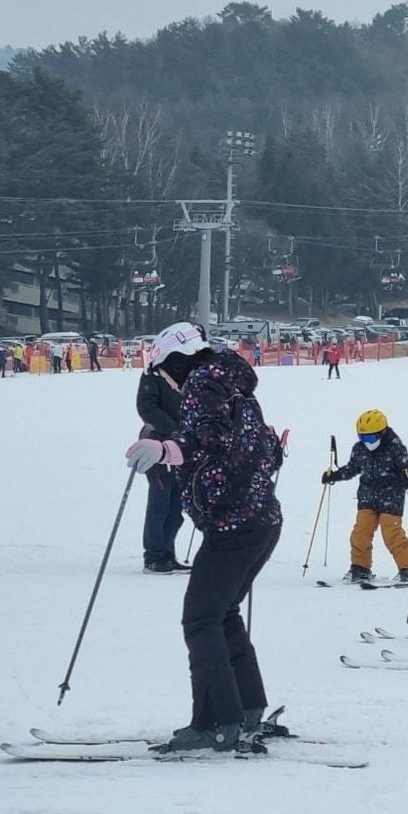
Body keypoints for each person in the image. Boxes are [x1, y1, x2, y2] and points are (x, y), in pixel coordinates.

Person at [123, 322, 284, 753]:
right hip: (259, 519)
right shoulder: (233, 382)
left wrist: (166, 450)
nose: (168, 381)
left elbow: (211, 440)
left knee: (201, 618)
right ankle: (246, 709)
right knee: (222, 613)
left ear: (178, 360)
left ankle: (216, 721)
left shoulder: (204, 383)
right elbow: (250, 446)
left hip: (236, 524)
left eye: (165, 370)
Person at [323, 410, 408, 583]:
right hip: (367, 496)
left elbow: (407, 466)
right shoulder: (360, 449)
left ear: (382, 433)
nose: (366, 442)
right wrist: (334, 476)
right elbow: (352, 469)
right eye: (362, 437)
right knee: (360, 532)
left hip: (391, 495)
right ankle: (360, 567)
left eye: (370, 438)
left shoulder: (395, 447)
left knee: (391, 533)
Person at [136, 364, 188, 573]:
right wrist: (175, 429)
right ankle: (154, 555)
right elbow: (147, 408)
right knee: (160, 503)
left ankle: (168, 552)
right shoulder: (153, 374)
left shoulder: (187, 372)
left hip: (181, 448)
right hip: (158, 445)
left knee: (176, 505)